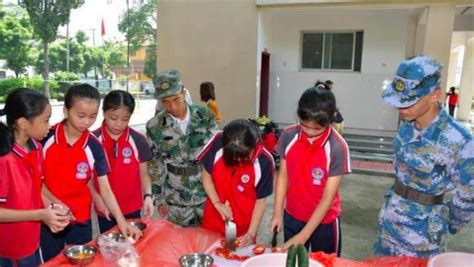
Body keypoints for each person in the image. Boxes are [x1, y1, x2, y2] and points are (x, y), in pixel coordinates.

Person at [375, 55, 474, 258]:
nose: (400, 107)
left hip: (420, 239)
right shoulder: (407, 125)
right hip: (389, 223)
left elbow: (469, 195)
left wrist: (443, 223)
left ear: (434, 95)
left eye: (409, 101)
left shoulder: (459, 140)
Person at [40, 84, 141, 261]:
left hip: (80, 219)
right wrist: (51, 204)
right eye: (81, 115)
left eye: (92, 116)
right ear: (66, 110)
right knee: (51, 261)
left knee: (82, 260)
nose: (87, 122)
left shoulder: (94, 147)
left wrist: (121, 221)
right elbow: (36, 180)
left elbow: (106, 189)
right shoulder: (46, 138)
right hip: (49, 216)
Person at [270, 87, 351, 255]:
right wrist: (277, 212)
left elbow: (328, 197)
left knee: (325, 263)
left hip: (324, 221)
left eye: (316, 129)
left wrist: (304, 235)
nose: (309, 132)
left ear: (331, 120)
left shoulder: (337, 147)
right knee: (293, 261)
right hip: (292, 215)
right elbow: (283, 177)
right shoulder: (288, 136)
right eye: (304, 125)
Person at [0, 88, 70, 267]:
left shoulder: (36, 148)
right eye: (46, 120)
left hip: (32, 239)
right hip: (11, 248)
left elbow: (37, 187)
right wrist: (41, 215)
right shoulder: (5, 160)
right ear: (23, 123)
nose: (50, 126)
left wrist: (55, 208)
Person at [146, 70, 218, 227]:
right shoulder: (154, 126)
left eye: (176, 99)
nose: (172, 106)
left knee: (210, 240)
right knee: (179, 243)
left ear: (184, 93)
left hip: (206, 193)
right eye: (165, 101)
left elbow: (217, 154)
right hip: (176, 198)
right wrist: (158, 198)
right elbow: (156, 164)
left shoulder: (205, 116)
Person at [198, 119, 274, 246]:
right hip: (214, 216)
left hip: (242, 225)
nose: (238, 160)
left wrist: (250, 233)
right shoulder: (218, 141)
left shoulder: (264, 161)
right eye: (232, 156)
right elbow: (206, 175)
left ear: (254, 144)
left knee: (234, 257)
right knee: (212, 255)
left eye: (243, 156)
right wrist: (217, 203)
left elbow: (261, 200)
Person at [90, 90, 154, 233]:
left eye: (125, 119)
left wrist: (148, 196)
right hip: (105, 208)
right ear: (104, 113)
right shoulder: (92, 140)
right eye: (113, 118)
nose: (119, 124)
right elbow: (88, 178)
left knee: (133, 247)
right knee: (109, 247)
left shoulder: (138, 140)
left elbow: (144, 175)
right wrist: (97, 198)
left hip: (132, 208)